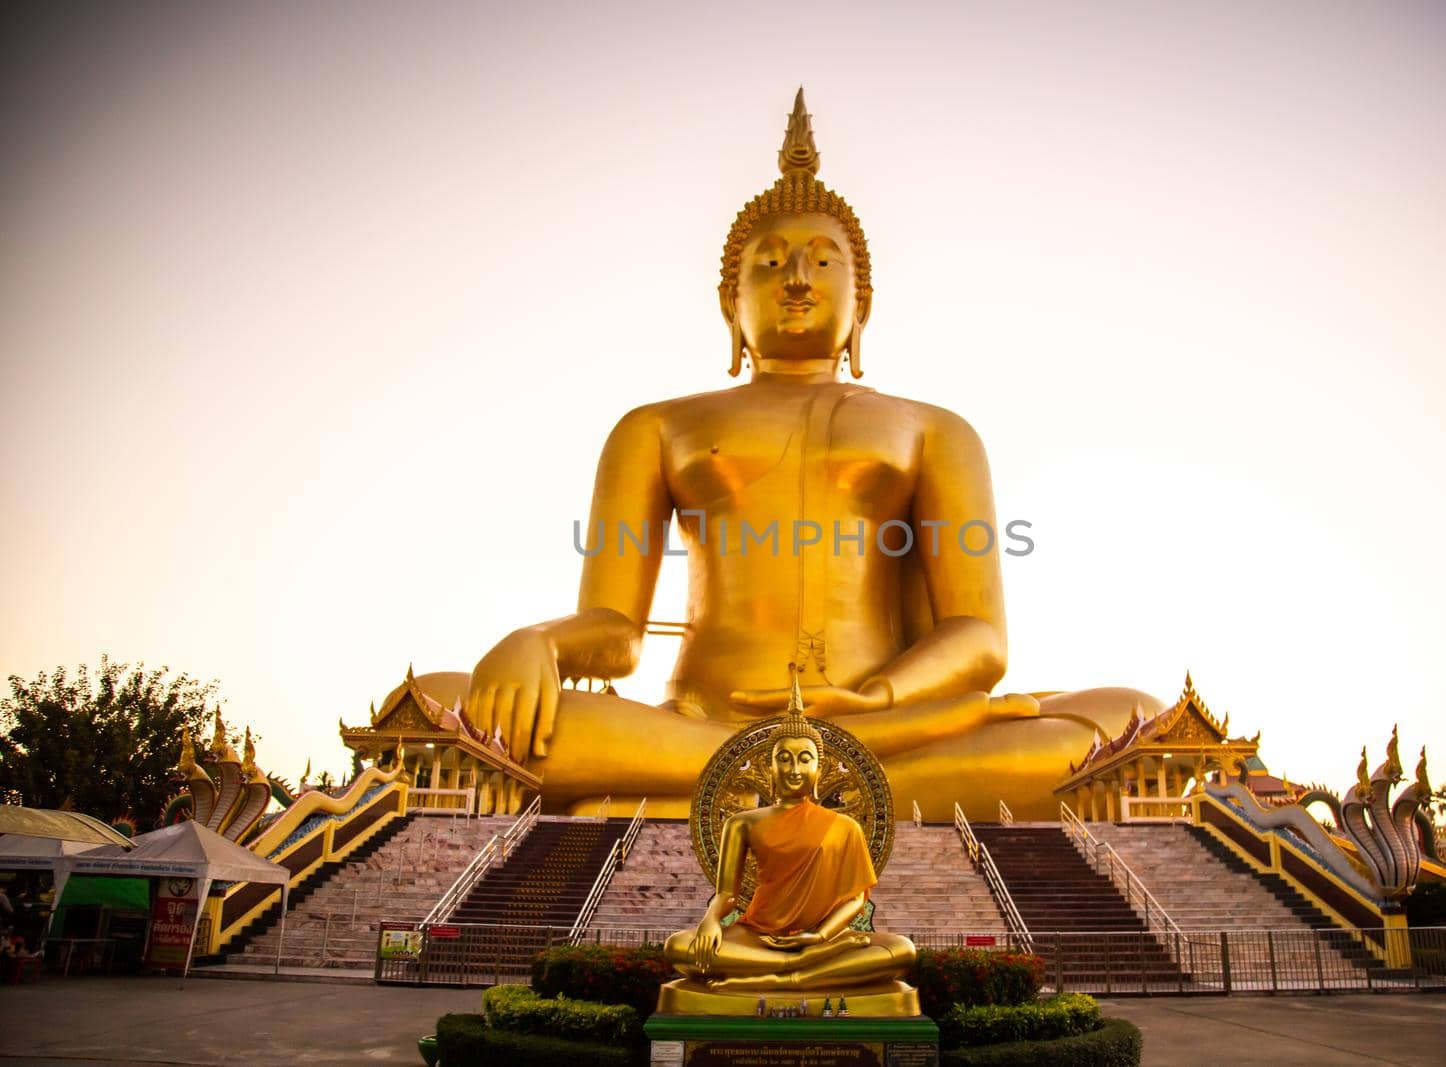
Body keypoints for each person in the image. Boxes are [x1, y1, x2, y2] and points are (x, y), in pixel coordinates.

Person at [450, 90, 1162, 818]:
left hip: (884, 723)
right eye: (770, 262)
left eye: (823, 263)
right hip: (704, 723)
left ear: (864, 307)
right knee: (458, 701)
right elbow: (618, 632)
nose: (796, 279)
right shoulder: (656, 427)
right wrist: (535, 642)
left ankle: (728, 786)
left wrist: (874, 698)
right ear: (731, 306)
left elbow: (978, 637)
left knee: (1127, 714)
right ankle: (818, 784)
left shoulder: (934, 431)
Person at [662, 683, 914, 992]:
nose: (795, 768)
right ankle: (792, 967)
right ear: (769, 767)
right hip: (758, 936)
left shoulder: (845, 826)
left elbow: (857, 898)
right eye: (784, 758)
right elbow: (727, 895)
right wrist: (711, 920)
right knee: (680, 947)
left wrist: (819, 937)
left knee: (901, 950)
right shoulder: (742, 823)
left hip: (827, 936)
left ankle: (790, 976)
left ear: (818, 770)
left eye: (805, 758)